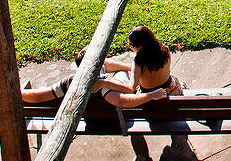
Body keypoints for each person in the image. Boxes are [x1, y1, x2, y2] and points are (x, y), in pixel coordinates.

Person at [21, 46, 168, 108]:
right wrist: (150, 95)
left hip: (88, 117)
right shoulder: (104, 87)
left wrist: (17, 94)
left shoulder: (71, 82)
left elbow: (39, 96)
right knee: (121, 73)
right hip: (114, 118)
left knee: (121, 71)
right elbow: (123, 101)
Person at [128, 25, 184, 96]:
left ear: (140, 47)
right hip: (170, 91)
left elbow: (131, 88)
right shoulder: (165, 50)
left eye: (131, 46)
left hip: (149, 97)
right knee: (174, 80)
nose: (129, 47)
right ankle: (182, 87)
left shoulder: (138, 63)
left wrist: (110, 84)